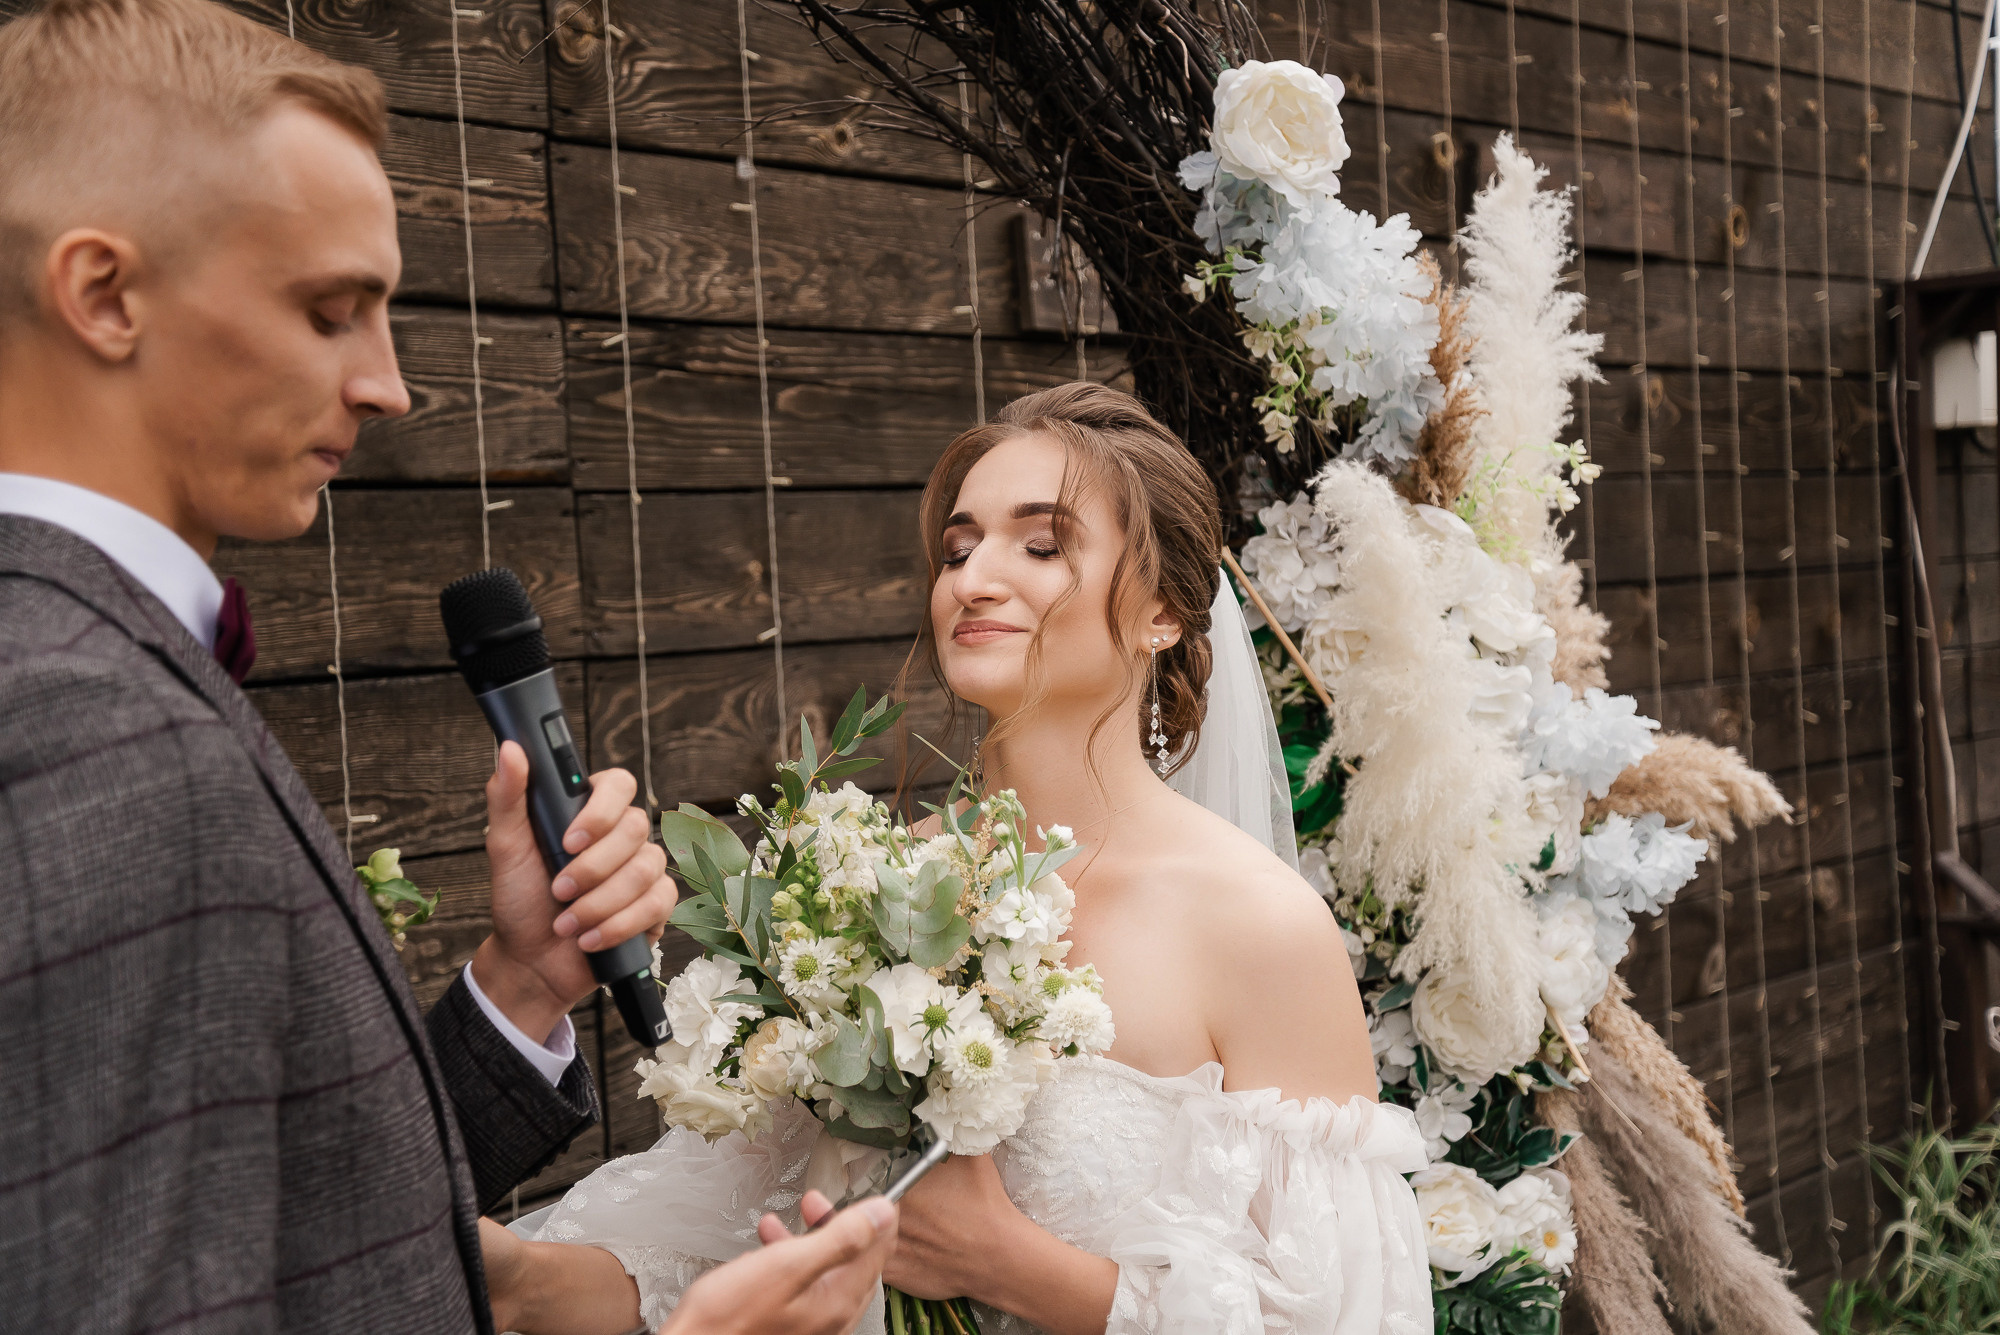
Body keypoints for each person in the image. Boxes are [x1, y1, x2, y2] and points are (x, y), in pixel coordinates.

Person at [0, 1, 895, 1331]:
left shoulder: (92, 666)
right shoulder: (86, 729)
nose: (389, 384)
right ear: (105, 292)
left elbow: (286, 1224)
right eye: (330, 311)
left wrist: (526, 980)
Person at [488, 383, 1432, 1334]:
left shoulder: (1257, 923)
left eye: (1041, 544)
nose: (974, 577)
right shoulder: (860, 891)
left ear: (1165, 613)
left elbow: (1350, 1313)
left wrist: (1012, 1266)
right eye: (958, 546)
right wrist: (515, 1280)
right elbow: (719, 1251)